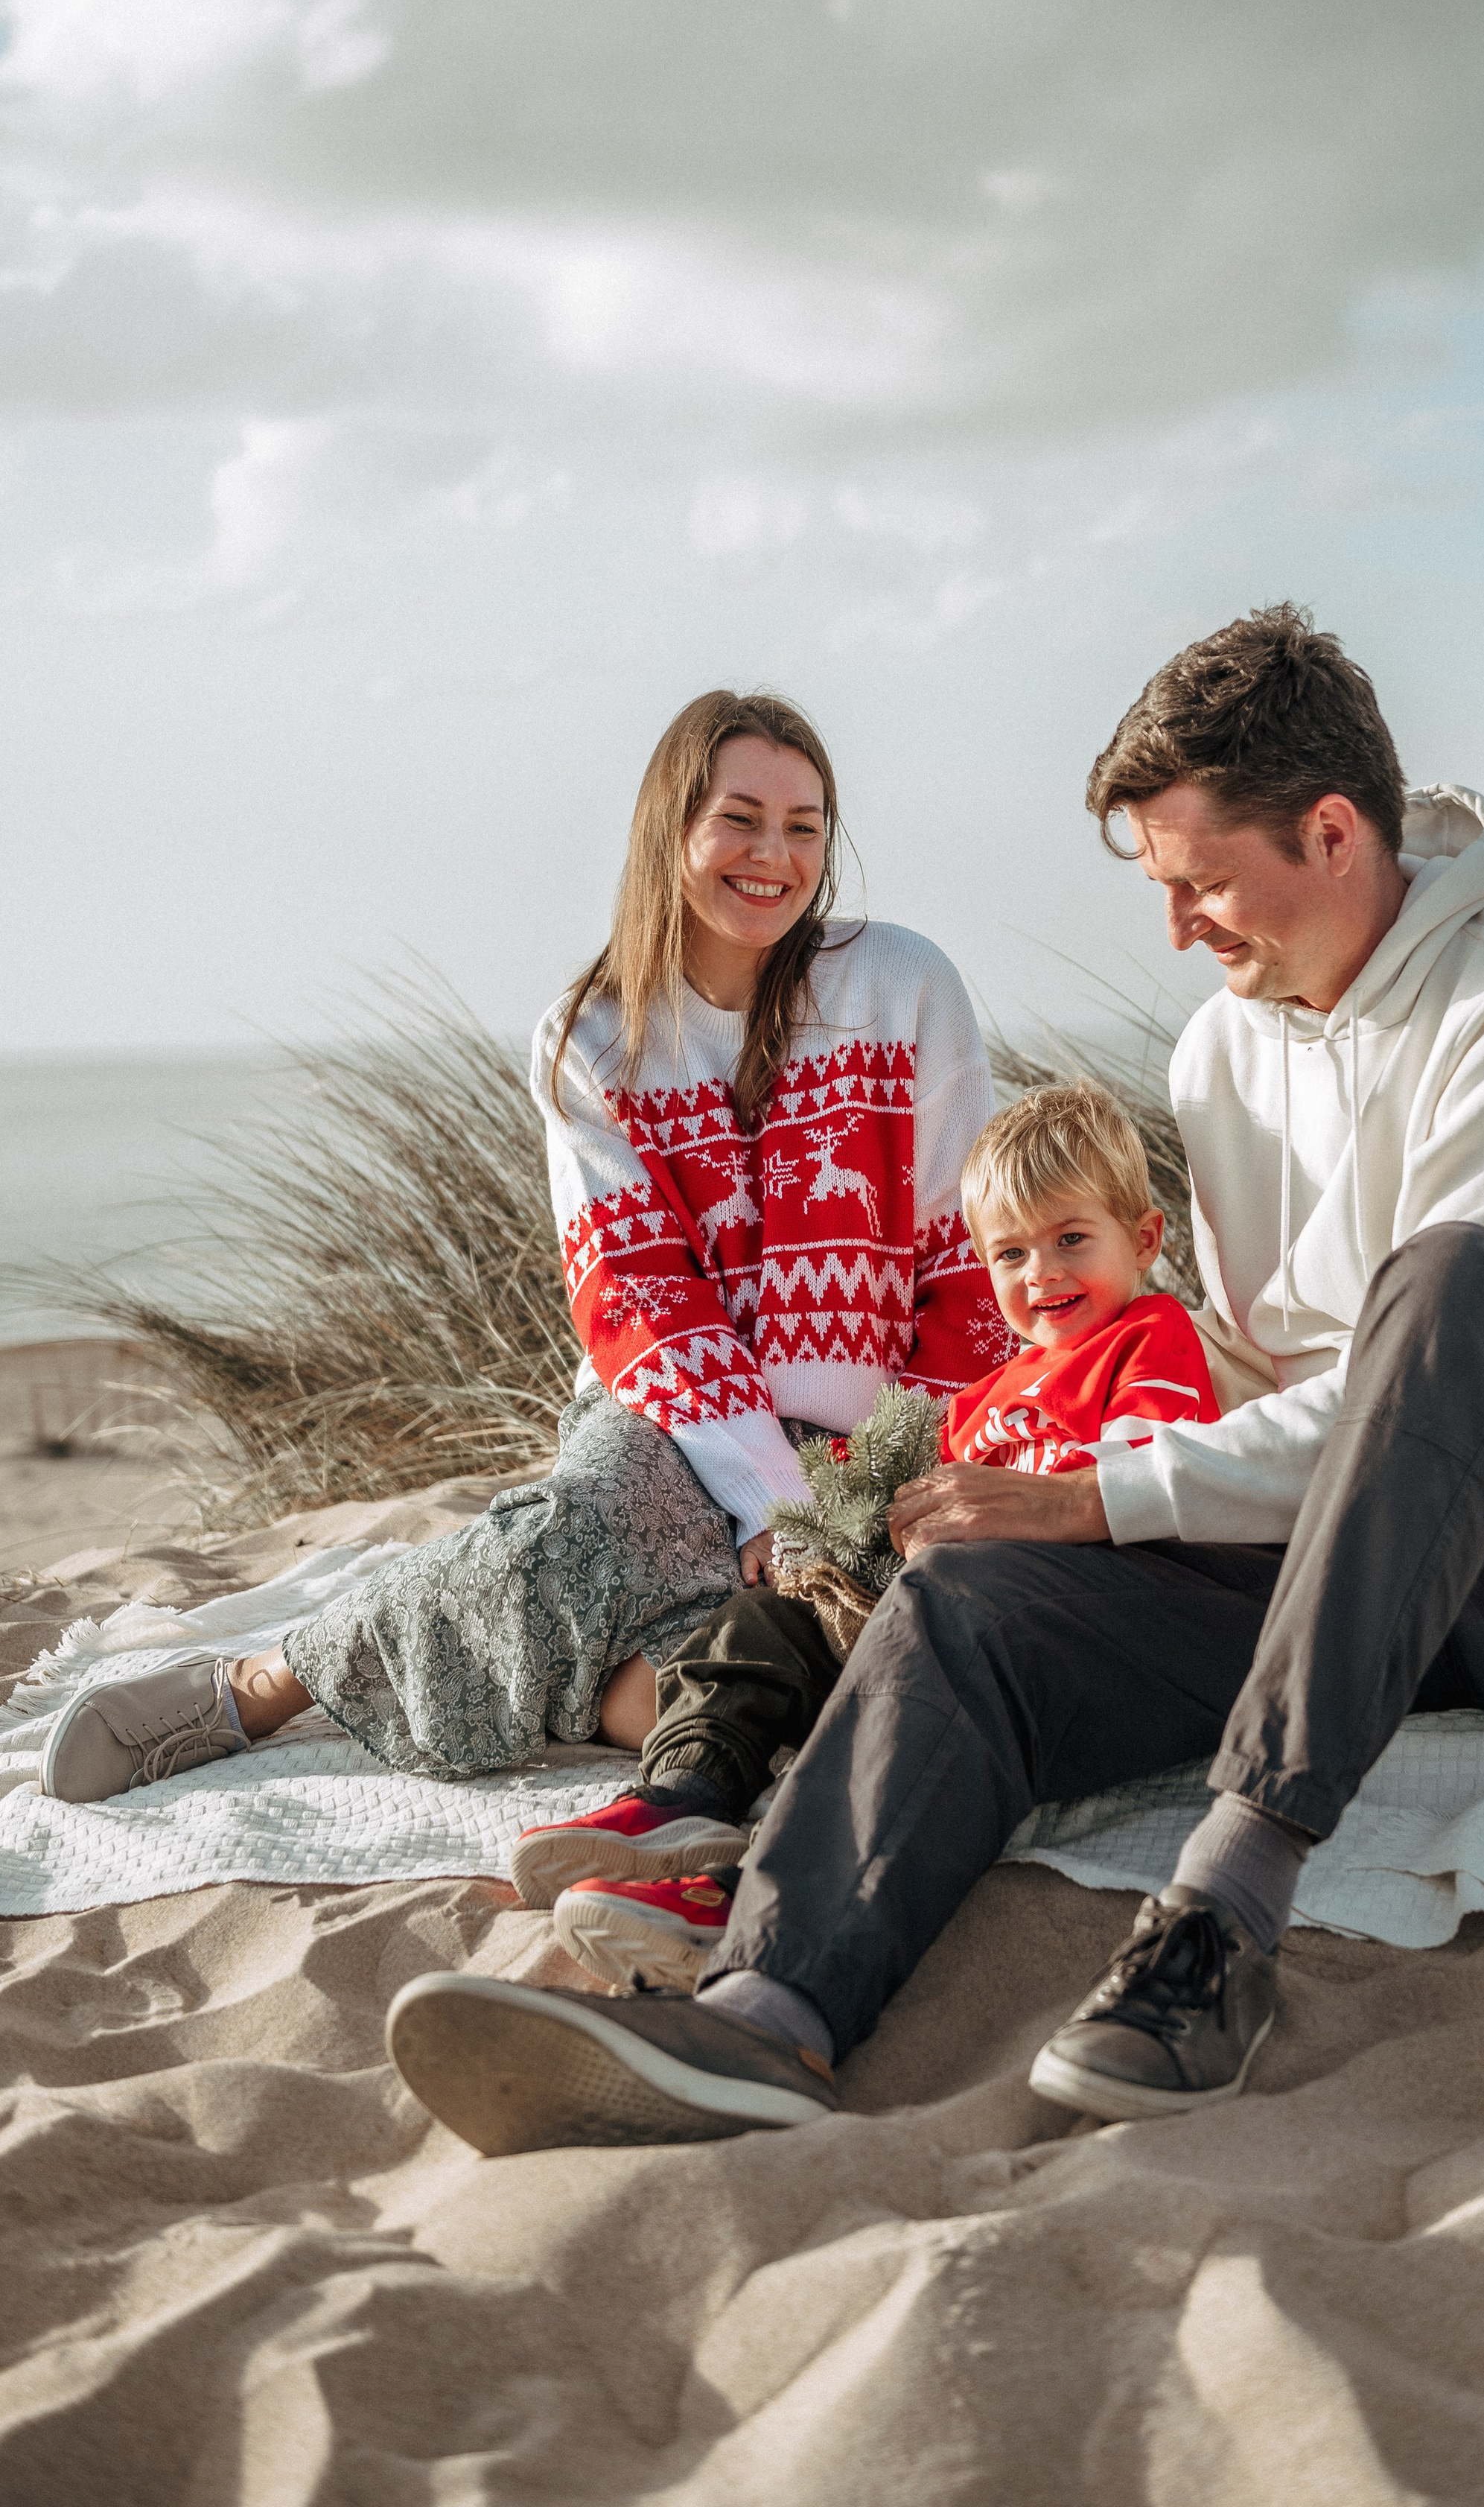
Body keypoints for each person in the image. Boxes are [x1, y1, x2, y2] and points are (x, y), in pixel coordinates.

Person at [383, 606, 1484, 2155]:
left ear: (1329, 832)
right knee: (974, 1591)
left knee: (1450, 1282)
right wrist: (1049, 1481)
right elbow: (1254, 1361)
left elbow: (1425, 1380)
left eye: (1199, 883)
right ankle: (767, 2013)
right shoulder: (1220, 1053)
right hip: (1346, 1571)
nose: (1176, 929)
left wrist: (1102, 1494)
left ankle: (1220, 1914)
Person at [39, 690, 1006, 1808]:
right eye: (740, 819)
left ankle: (608, 1701)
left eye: (804, 826)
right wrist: (767, 1498)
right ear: (671, 830)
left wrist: (896, 1469)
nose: (774, 856)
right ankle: (262, 1685)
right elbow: (640, 1299)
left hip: (874, 1440)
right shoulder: (593, 1035)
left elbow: (970, 1256)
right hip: (674, 1419)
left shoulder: (902, 985)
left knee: (828, 1653)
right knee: (576, 1538)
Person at [528, 1080, 1220, 1992]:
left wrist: (1035, 1500)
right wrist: (835, 1505)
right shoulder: (987, 1392)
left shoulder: (1149, 1339)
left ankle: (752, 1890)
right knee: (758, 1627)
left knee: (891, 1706)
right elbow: (903, 1474)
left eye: (1071, 1239)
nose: (1041, 1274)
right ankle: (686, 1790)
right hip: (929, 1600)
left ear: (1146, 1239)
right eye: (1010, 1253)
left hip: (1053, 1604)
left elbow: (1143, 1470)